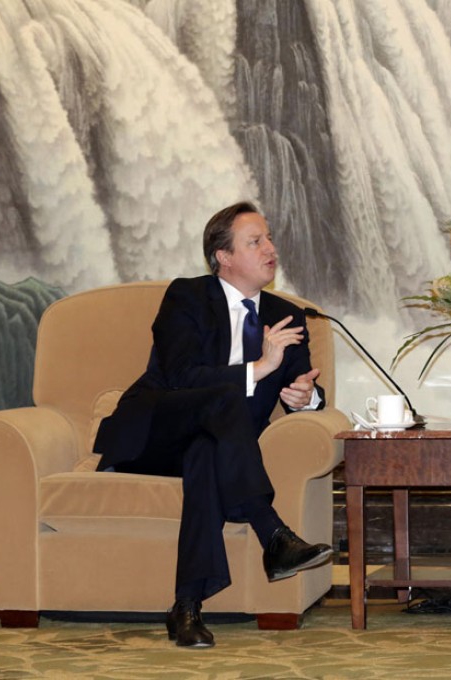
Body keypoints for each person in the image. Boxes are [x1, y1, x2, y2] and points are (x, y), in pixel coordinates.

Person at [93, 201, 333, 648]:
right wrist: (260, 368)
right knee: (219, 400)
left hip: (219, 452)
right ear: (223, 256)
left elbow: (309, 392)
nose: (270, 248)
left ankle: (186, 608)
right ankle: (272, 532)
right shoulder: (186, 297)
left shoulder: (287, 316)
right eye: (255, 241)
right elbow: (181, 376)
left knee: (206, 450)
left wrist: (304, 398)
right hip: (155, 437)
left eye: (269, 238)